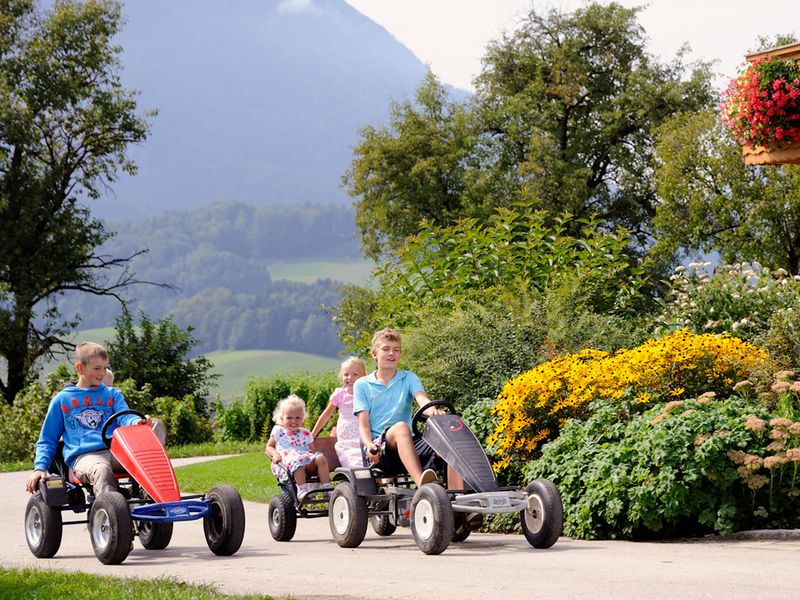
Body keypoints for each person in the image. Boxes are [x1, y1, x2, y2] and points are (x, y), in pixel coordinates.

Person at [25, 342, 165, 497]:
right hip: (85, 457)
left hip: (117, 452)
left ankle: (150, 495)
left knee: (157, 425)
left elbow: (125, 416)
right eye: (97, 368)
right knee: (102, 469)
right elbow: (48, 438)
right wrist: (39, 468)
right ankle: (110, 511)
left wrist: (135, 422)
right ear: (80, 368)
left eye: (105, 368)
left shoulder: (112, 394)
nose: (102, 373)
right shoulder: (62, 400)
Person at [354, 328, 465, 490]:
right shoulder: (362, 385)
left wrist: (434, 410)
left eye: (396, 350)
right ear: (374, 354)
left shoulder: (409, 378)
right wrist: (370, 445)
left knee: (448, 441)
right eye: (386, 349)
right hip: (382, 447)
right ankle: (423, 487)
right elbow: (363, 425)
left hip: (409, 442)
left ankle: (459, 499)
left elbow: (422, 400)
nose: (391, 353)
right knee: (401, 427)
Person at [266, 394, 330, 496]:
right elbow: (269, 446)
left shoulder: (305, 432)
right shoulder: (279, 430)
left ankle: (326, 488)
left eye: (298, 418)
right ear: (282, 418)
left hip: (305, 459)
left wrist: (312, 454)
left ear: (303, 418)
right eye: (289, 418)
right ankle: (302, 490)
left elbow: (313, 450)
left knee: (320, 457)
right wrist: (275, 454)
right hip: (288, 460)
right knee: (298, 462)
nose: (293, 421)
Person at [310, 357, 366, 469]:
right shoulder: (340, 394)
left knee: (370, 462)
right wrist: (312, 434)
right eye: (346, 374)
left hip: (364, 439)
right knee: (355, 465)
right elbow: (326, 415)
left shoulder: (366, 394)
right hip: (346, 442)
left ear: (363, 376)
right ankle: (358, 484)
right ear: (342, 376)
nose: (350, 378)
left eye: (355, 374)